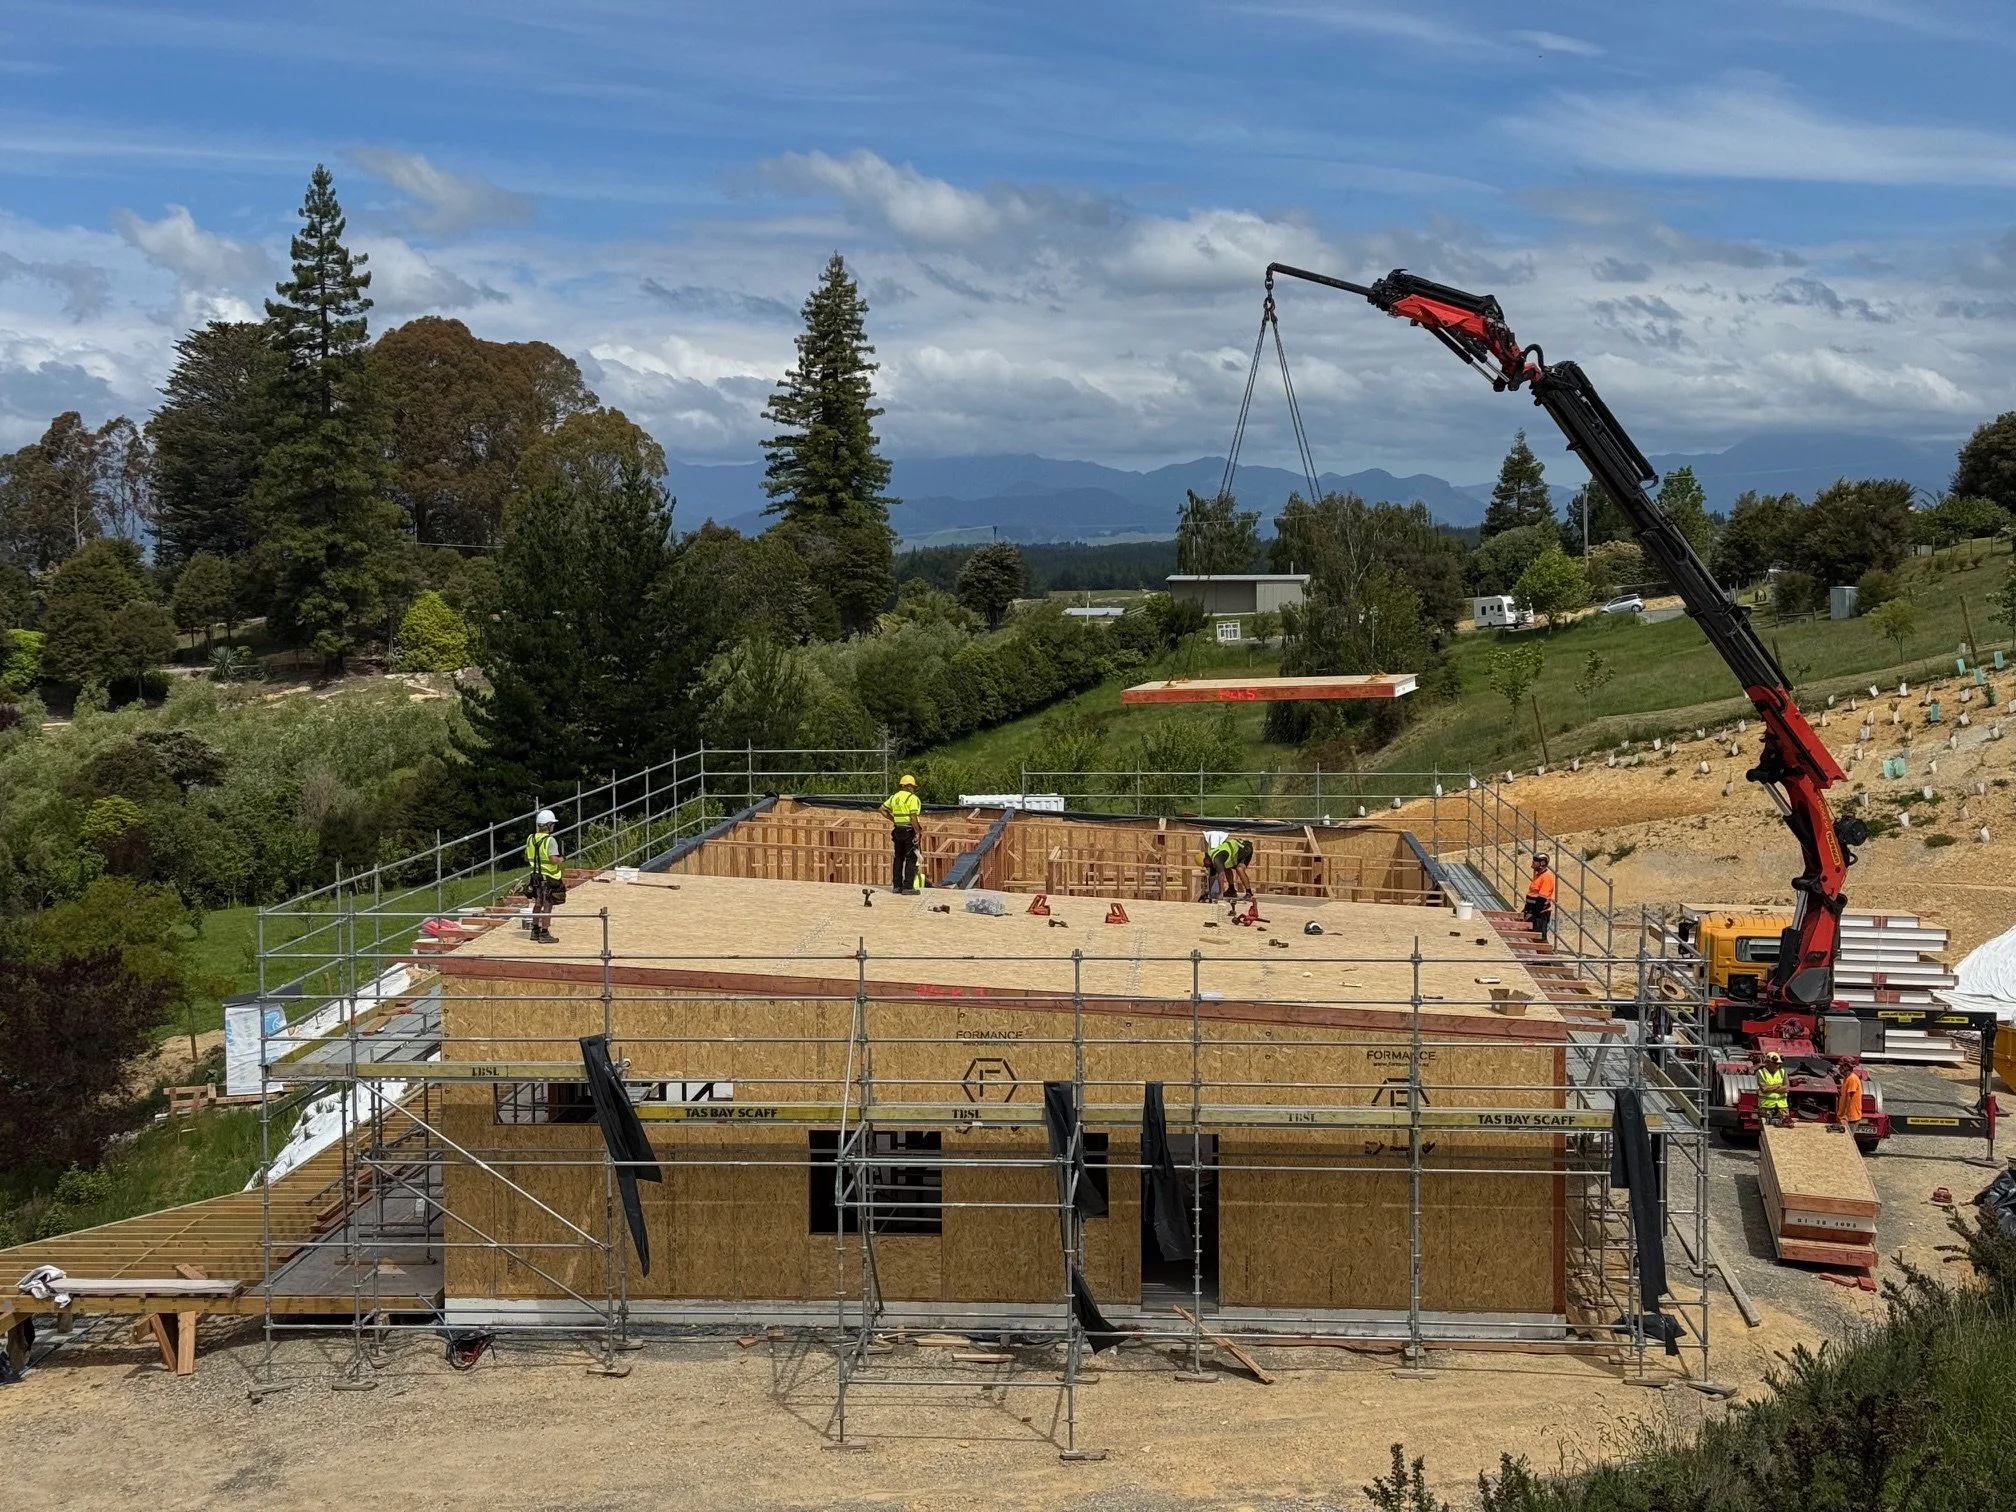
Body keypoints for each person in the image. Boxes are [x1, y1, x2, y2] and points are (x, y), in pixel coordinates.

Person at [879, 775, 925, 893]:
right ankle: (908, 887)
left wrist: (893, 819)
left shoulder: (894, 797)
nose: (913, 788)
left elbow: (882, 809)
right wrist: (918, 832)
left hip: (898, 830)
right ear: (908, 786)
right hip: (909, 830)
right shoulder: (912, 798)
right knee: (911, 857)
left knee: (899, 857)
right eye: (912, 786)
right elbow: (913, 817)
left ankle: (897, 886)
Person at [525, 808, 564, 944]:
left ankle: (534, 930)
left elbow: (527, 856)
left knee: (537, 904)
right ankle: (544, 933)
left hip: (535, 876)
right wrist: (561, 859)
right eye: (552, 824)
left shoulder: (531, 838)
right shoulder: (550, 841)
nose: (553, 826)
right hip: (548, 878)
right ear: (548, 825)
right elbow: (553, 859)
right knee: (547, 905)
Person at [1523, 853, 1557, 941]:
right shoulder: (1539, 875)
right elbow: (1533, 894)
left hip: (1540, 913)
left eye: (1536, 861)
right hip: (1533, 910)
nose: (1533, 862)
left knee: (1539, 939)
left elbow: (1542, 899)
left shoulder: (1546, 876)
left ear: (1542, 863)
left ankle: (1545, 953)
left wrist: (1532, 913)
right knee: (1532, 937)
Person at [1755, 1049, 1790, 1127]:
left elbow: (1786, 1089)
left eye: (1778, 1064)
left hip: (1782, 1107)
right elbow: (1764, 1089)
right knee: (1765, 1129)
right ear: (1768, 1062)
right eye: (1775, 1063)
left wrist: (1770, 1087)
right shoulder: (1760, 1073)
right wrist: (1778, 1086)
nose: (1777, 1066)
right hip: (1766, 1107)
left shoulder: (1782, 1072)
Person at [1836, 1058, 1865, 1128]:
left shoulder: (1852, 1079)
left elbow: (1850, 1098)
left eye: (1841, 1066)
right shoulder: (1847, 1078)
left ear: (1846, 1067)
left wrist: (1845, 1115)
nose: (1839, 1068)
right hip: (1845, 1117)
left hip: (1850, 1118)